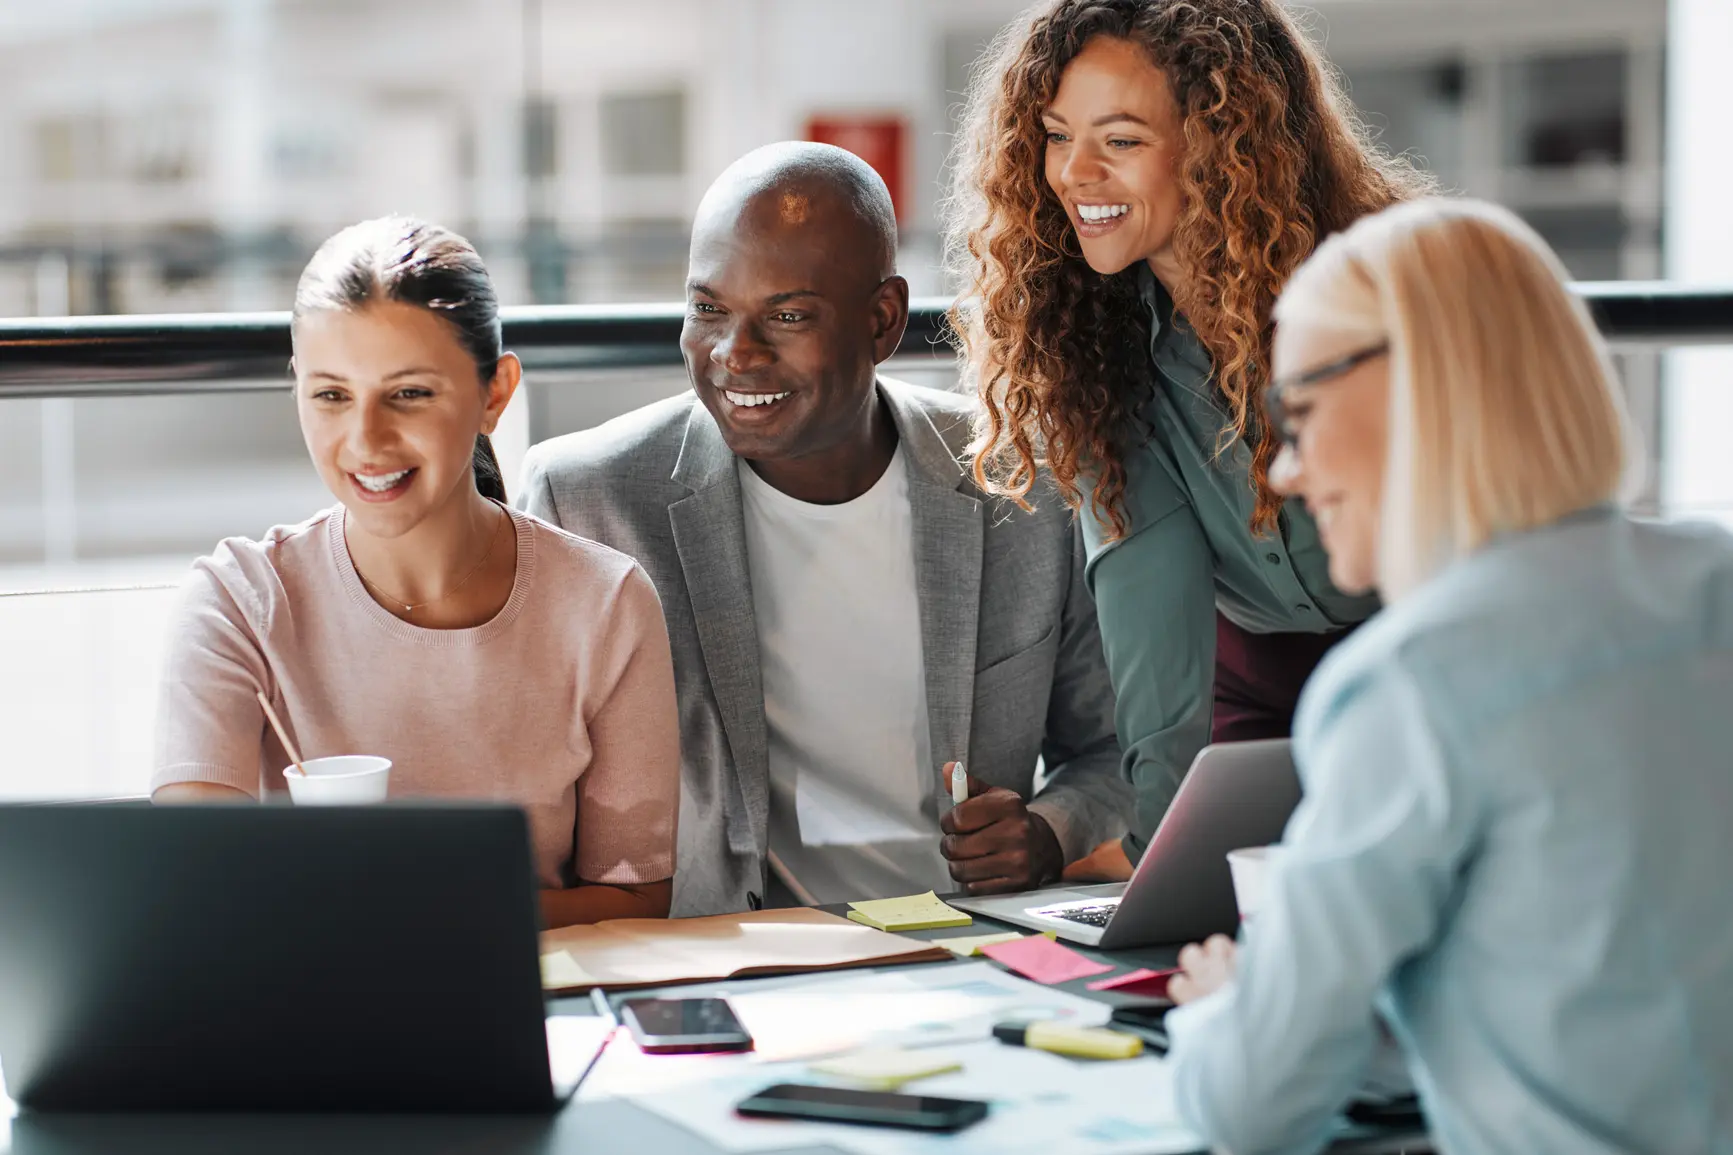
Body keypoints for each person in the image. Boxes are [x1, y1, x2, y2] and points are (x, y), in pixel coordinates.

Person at [1162, 198, 1733, 1154]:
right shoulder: (1711, 580)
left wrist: (1229, 1011)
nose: (1287, 471)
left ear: (1409, 387)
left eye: (1295, 414)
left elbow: (1251, 1107)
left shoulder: (1410, 684)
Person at [519, 142, 1128, 917]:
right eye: (708, 309)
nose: (734, 354)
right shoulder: (588, 499)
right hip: (727, 959)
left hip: (963, 943)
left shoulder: (1022, 483)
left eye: (787, 315)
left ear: (882, 320)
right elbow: (536, 795)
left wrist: (1049, 828)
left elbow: (1114, 751)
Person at [945, 0, 1434, 876]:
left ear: (1218, 144)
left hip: (1426, 659)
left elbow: (1472, 566)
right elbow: (1150, 610)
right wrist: (1158, 869)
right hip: (1251, 682)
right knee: (1196, 901)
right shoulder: (1089, 345)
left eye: (1121, 140)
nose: (1074, 173)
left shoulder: (1381, 291)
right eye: (1058, 135)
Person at [152, 217, 681, 930]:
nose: (365, 440)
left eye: (409, 394)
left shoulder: (604, 603)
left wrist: (396, 917)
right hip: (304, 1010)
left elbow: (635, 901)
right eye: (332, 395)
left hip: (536, 1010)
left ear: (494, 393)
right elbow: (192, 886)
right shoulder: (237, 601)